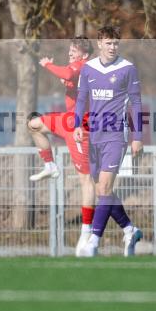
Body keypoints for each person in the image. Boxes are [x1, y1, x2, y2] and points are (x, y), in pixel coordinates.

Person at [73, 25, 144, 257]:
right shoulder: (88, 69)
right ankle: (129, 229)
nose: (113, 47)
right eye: (109, 43)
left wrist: (137, 137)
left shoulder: (127, 69)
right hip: (94, 136)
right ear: (99, 44)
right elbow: (81, 99)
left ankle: (94, 241)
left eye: (116, 43)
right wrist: (76, 125)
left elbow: (136, 103)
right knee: (102, 190)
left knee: (104, 188)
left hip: (116, 135)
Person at [26, 36, 96, 255]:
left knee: (87, 180)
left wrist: (47, 64)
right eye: (70, 50)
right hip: (67, 120)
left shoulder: (83, 66)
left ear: (84, 55)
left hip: (80, 127)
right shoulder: (77, 67)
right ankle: (50, 165)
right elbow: (68, 78)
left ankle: (87, 229)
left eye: (74, 50)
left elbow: (67, 73)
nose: (70, 53)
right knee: (34, 124)